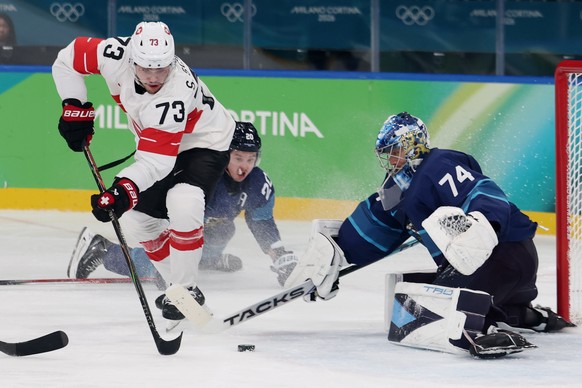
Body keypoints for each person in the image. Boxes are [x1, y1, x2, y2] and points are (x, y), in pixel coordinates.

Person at [285, 112, 575, 358]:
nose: (390, 159)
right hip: (487, 272)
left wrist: (482, 224)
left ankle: (482, 326)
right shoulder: (397, 189)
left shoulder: (439, 165)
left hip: (505, 256)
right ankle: (521, 314)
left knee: (430, 314)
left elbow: (482, 192)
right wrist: (334, 253)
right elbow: (374, 226)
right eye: (387, 153)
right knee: (412, 305)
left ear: (412, 145)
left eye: (395, 150)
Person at [52, 21, 236, 321]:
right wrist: (75, 106)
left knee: (184, 199)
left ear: (173, 61)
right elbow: (67, 59)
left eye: (161, 69)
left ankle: (186, 289)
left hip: (205, 141)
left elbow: (157, 163)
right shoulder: (114, 55)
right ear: (131, 58)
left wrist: (123, 189)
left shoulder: (174, 94)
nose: (153, 77)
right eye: (146, 68)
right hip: (160, 144)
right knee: (137, 221)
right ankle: (175, 285)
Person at [67, 122, 298, 292]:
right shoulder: (203, 174)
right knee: (157, 269)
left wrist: (279, 256)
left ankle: (207, 259)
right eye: (238, 158)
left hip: (204, 226)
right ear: (225, 154)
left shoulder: (258, 183)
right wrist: (170, 265)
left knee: (224, 229)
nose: (244, 166)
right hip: (167, 219)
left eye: (250, 159)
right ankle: (103, 249)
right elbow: (169, 212)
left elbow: (261, 221)